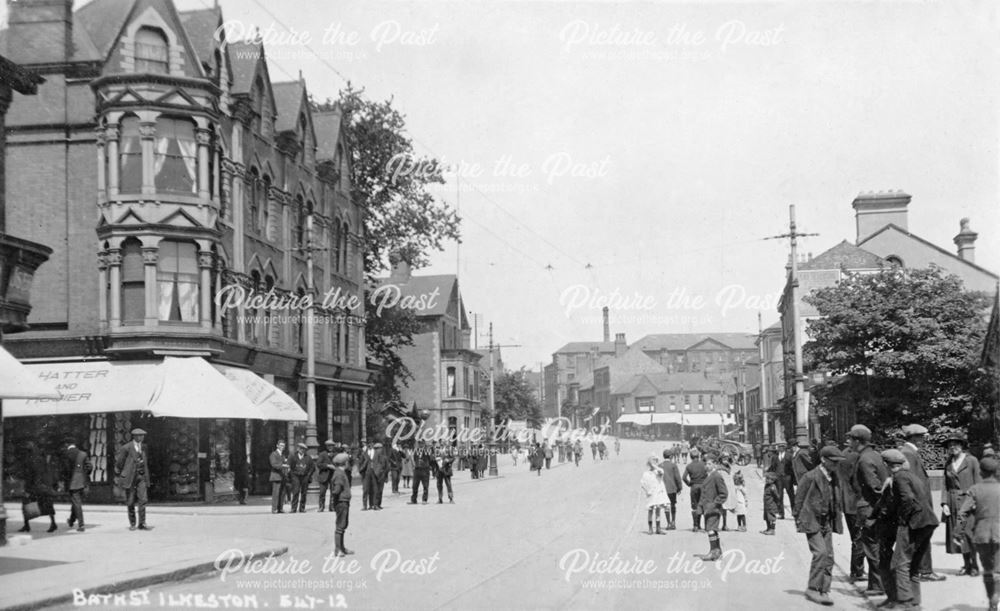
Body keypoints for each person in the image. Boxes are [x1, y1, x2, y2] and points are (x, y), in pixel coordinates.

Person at [883, 446, 939, 609]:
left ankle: (905, 602)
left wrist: (903, 519)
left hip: (914, 523)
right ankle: (915, 601)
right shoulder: (911, 476)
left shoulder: (899, 477)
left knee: (899, 563)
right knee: (914, 563)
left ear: (888, 464)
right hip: (928, 522)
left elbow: (907, 500)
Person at [793, 445, 845, 606]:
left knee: (829, 556)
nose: (836, 465)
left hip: (827, 521)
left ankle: (824, 590)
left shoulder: (834, 476)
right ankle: (813, 588)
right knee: (820, 553)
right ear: (823, 460)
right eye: (833, 461)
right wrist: (799, 519)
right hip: (811, 520)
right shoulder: (810, 477)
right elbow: (799, 500)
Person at [900, 424, 946, 582]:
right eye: (921, 437)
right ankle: (923, 571)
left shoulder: (910, 452)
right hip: (920, 505)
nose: (924, 440)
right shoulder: (909, 453)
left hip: (920, 504)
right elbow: (912, 482)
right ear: (913, 438)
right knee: (922, 536)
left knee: (922, 536)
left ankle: (921, 570)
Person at [850, 424, 891, 596]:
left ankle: (878, 585)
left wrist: (878, 509)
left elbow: (875, 488)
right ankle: (878, 584)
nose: (848, 442)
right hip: (874, 508)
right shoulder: (874, 455)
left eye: (850, 439)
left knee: (872, 547)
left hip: (869, 509)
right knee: (876, 546)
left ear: (858, 441)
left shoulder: (865, 459)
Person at [958, 456, 1000, 611]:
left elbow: (962, 513)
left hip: (981, 535)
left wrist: (958, 532)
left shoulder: (975, 489)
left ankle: (991, 602)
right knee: (998, 569)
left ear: (981, 472)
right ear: (996, 471)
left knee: (987, 570)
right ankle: (996, 600)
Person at [941, 432, 981, 576]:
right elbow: (945, 484)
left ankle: (975, 565)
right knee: (959, 535)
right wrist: (944, 503)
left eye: (956, 444)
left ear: (962, 445)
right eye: (950, 445)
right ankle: (966, 565)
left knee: (970, 534)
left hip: (968, 503)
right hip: (952, 503)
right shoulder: (948, 462)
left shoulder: (972, 461)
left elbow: (978, 482)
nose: (953, 447)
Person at [838, 432, 865, 583]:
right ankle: (857, 571)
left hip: (847, 502)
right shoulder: (854, 456)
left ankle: (857, 570)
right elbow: (857, 482)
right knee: (859, 537)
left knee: (856, 537)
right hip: (856, 502)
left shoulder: (844, 454)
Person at [115, 428, 151, 531]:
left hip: (141, 476)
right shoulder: (126, 448)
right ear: (134, 437)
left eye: (142, 435)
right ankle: (132, 523)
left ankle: (142, 523)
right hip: (130, 477)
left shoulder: (144, 447)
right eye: (139, 436)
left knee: (143, 500)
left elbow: (145, 461)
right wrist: (125, 472)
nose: (141, 437)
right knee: (130, 501)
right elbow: (119, 463)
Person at [18, 441, 58, 533]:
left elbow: (31, 475)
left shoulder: (31, 459)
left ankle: (27, 525)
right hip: (43, 485)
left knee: (26, 504)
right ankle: (53, 523)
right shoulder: (40, 458)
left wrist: (28, 488)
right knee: (47, 505)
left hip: (35, 486)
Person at [695, 453, 728, 561]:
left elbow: (724, 493)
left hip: (713, 509)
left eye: (709, 464)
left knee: (710, 530)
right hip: (707, 508)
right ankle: (718, 551)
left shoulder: (717, 476)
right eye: (706, 463)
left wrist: (714, 504)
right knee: (713, 530)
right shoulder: (709, 475)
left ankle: (713, 552)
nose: (706, 466)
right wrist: (701, 507)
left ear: (715, 464)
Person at [62, 438, 91, 532]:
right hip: (82, 481)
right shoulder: (83, 454)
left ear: (67, 444)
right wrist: (84, 475)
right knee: (75, 502)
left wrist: (64, 481)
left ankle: (81, 525)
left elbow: (65, 470)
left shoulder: (66, 454)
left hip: (72, 482)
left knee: (76, 503)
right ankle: (71, 520)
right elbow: (89, 467)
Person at [330, 453, 354, 558]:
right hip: (341, 502)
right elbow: (337, 489)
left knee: (343, 525)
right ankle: (338, 549)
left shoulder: (340, 472)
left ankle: (342, 548)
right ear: (345, 463)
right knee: (340, 526)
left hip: (343, 501)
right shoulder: (339, 474)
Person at [641, 456, 669, 535]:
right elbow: (643, 483)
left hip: (658, 494)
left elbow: (661, 471)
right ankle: (650, 528)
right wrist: (647, 491)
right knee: (650, 511)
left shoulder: (659, 472)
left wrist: (655, 466)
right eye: (653, 462)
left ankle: (658, 528)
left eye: (656, 462)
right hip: (651, 494)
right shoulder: (646, 473)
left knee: (658, 511)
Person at [683, 448, 708, 532]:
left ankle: (696, 525)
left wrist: (689, 484)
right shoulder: (704, 464)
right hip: (703, 486)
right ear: (698, 456)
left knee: (695, 506)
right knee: (704, 505)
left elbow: (684, 477)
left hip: (694, 487)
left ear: (690, 457)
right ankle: (706, 526)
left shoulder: (689, 466)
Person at [658, 448, 684, 531]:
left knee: (666, 506)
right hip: (672, 489)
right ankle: (673, 522)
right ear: (670, 456)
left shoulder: (660, 465)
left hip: (663, 489)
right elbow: (677, 478)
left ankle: (668, 523)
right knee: (673, 505)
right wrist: (679, 487)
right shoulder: (673, 465)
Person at [288, 442, 314, 513]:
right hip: (295, 476)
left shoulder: (308, 457)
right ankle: (293, 508)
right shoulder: (293, 456)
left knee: (304, 492)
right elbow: (289, 466)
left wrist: (308, 475)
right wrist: (292, 475)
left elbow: (312, 467)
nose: (301, 450)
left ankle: (302, 508)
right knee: (295, 492)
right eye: (300, 448)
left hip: (304, 476)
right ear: (298, 449)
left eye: (303, 449)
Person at [268, 440, 288, 514]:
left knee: (282, 493)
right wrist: (283, 466)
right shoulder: (273, 454)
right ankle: (274, 509)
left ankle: (280, 508)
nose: (282, 447)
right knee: (276, 493)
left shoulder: (282, 455)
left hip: (282, 476)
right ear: (277, 445)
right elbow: (274, 464)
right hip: (276, 476)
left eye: (283, 446)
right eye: (281, 445)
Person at [317, 440, 336, 512]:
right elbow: (318, 464)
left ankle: (332, 507)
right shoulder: (322, 454)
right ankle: (321, 507)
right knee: (322, 492)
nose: (330, 447)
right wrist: (328, 465)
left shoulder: (336, 454)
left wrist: (335, 466)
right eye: (329, 446)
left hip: (333, 475)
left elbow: (338, 464)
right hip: (323, 475)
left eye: (331, 446)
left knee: (333, 492)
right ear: (326, 446)